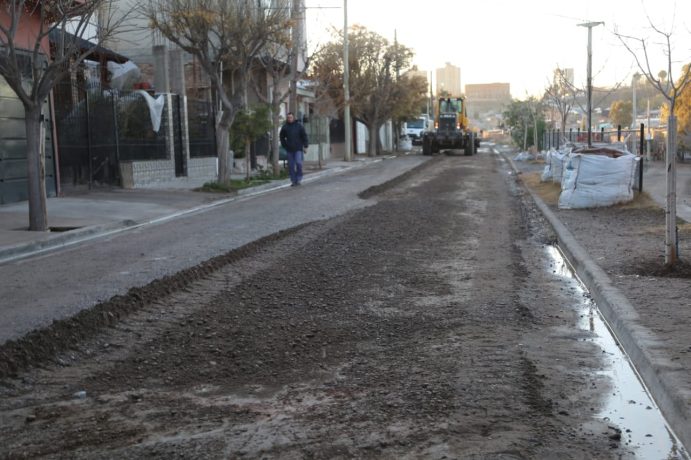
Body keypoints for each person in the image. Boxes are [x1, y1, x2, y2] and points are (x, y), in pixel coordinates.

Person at [279, 112, 309, 186]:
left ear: (294, 118)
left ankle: (299, 178)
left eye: (291, 117)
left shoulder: (299, 126)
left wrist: (305, 146)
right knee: (291, 166)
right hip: (289, 149)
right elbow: (282, 137)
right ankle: (293, 180)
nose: (289, 119)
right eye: (288, 117)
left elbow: (304, 136)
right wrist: (285, 145)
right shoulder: (285, 127)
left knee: (298, 163)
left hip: (298, 148)